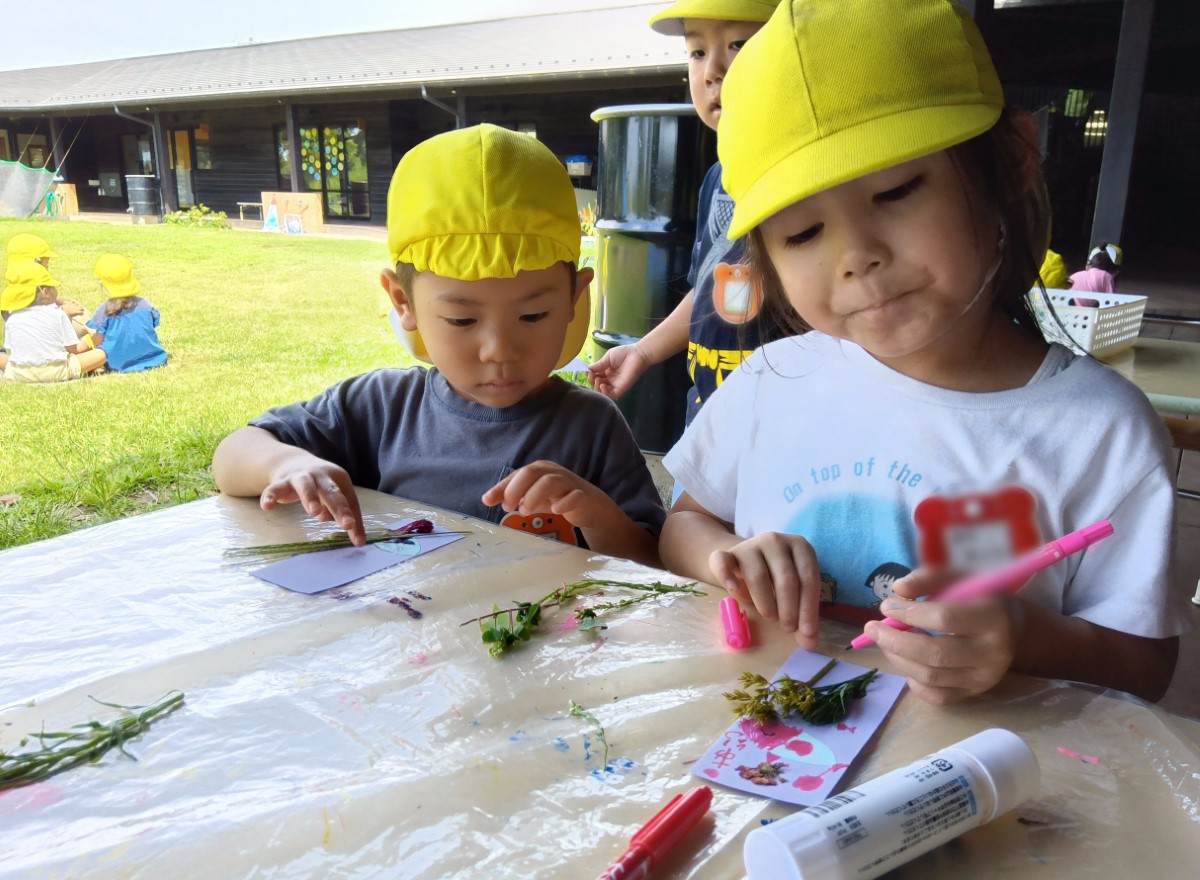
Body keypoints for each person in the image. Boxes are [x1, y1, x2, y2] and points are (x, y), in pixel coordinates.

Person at [659, 0, 1194, 704]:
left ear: (1010, 163)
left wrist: (1021, 635)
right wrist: (728, 560)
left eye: (897, 190)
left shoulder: (1102, 431)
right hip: (771, 754)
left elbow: (1145, 666)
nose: (858, 258)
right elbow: (684, 523)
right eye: (801, 233)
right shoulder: (771, 382)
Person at [212, 124, 665, 566]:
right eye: (462, 319)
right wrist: (286, 465)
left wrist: (593, 513)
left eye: (532, 316)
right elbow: (234, 454)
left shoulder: (592, 427)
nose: (499, 350)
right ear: (403, 301)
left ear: (574, 298)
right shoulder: (382, 408)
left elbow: (654, 563)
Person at [587, 0, 795, 430]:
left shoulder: (809, 178)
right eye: (697, 51)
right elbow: (707, 290)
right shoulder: (716, 179)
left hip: (785, 428)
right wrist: (642, 351)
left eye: (739, 43)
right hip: (707, 422)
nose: (712, 70)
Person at [0, 261, 107, 382]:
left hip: (19, 373)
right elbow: (74, 351)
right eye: (54, 287)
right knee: (100, 355)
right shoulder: (57, 313)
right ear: (46, 292)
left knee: (4, 358)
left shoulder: (12, 318)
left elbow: (14, 352)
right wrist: (89, 339)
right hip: (56, 371)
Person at [2, 232, 94, 340]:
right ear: (37, 261)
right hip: (37, 346)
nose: (48, 265)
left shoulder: (19, 282)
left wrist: (57, 301)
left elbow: (36, 303)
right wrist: (64, 312)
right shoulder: (22, 295)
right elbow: (33, 320)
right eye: (47, 262)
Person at [88, 253, 168, 373]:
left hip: (117, 362)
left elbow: (98, 341)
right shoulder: (145, 305)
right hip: (154, 358)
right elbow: (149, 328)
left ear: (102, 283)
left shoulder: (105, 310)